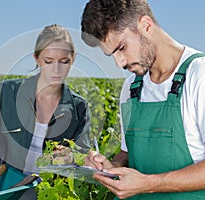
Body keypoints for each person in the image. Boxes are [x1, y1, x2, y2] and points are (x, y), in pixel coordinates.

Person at [81, 0, 205, 199]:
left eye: (121, 48)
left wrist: (148, 184)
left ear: (146, 25)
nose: (119, 63)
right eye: (111, 55)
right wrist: (111, 167)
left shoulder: (199, 75)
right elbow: (128, 154)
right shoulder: (131, 87)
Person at [0, 24, 91, 176]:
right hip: (3, 185)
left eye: (64, 61)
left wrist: (71, 156)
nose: (56, 70)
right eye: (48, 61)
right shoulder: (5, 92)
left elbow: (82, 155)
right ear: (36, 58)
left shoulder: (79, 107)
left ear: (73, 59)